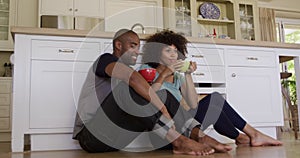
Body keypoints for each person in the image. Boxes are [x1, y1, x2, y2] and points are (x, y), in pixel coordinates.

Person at [72, 29, 216, 155]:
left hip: (117, 140)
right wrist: (163, 109)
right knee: (129, 88)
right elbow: (133, 79)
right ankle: (178, 141)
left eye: (139, 47)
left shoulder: (130, 71)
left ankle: (198, 134)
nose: (137, 51)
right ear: (118, 45)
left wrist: (162, 101)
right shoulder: (105, 60)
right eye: (133, 46)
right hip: (91, 137)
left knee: (163, 94)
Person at [140, 30, 283, 150]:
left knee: (214, 100)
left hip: (186, 125)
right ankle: (243, 136)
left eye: (176, 51)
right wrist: (164, 73)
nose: (173, 55)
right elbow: (148, 97)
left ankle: (245, 135)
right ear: (157, 53)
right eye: (168, 50)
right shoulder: (147, 71)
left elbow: (194, 104)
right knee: (213, 103)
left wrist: (188, 74)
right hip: (165, 133)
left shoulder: (177, 77)